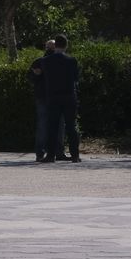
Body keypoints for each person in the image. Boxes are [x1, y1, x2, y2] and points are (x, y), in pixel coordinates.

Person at [40, 34, 82, 163]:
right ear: (66, 45)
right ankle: (75, 155)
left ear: (54, 46)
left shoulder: (46, 61)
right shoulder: (72, 61)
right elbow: (76, 78)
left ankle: (51, 155)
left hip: (53, 96)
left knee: (52, 126)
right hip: (69, 96)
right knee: (71, 127)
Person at [29, 39, 56, 162]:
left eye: (52, 47)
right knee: (44, 125)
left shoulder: (41, 62)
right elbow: (30, 77)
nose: (50, 50)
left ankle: (57, 151)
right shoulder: (39, 62)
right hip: (44, 97)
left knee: (55, 125)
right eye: (49, 47)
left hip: (53, 97)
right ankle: (40, 152)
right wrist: (36, 74)